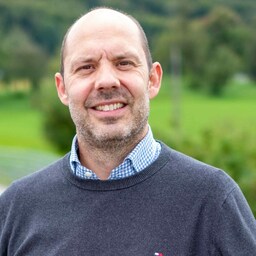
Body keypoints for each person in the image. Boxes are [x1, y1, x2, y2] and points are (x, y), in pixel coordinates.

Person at [0, 7, 255, 256]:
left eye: (123, 63)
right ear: (62, 88)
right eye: (86, 67)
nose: (106, 81)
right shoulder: (16, 208)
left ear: (152, 79)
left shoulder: (212, 200)